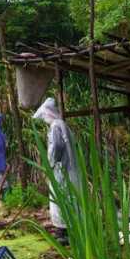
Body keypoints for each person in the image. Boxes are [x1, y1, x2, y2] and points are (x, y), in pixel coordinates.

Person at [33, 97, 80, 245]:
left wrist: (51, 165)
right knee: (68, 199)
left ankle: (63, 232)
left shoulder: (56, 127)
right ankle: (68, 231)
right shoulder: (63, 125)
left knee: (59, 200)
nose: (45, 119)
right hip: (69, 170)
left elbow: (57, 149)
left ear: (49, 114)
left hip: (62, 171)